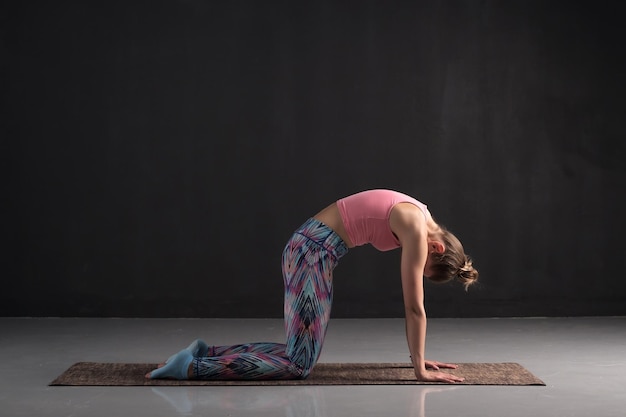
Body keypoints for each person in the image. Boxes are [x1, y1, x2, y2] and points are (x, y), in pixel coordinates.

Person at [146, 189, 478, 383]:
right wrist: (419, 367)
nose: (416, 267)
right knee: (300, 364)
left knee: (297, 354)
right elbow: (414, 307)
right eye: (423, 268)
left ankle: (207, 352)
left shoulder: (419, 212)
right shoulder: (417, 229)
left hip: (312, 250)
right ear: (436, 249)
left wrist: (417, 357)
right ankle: (192, 366)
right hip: (311, 252)